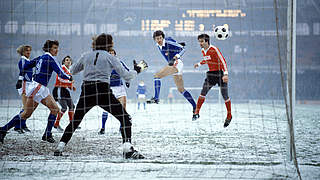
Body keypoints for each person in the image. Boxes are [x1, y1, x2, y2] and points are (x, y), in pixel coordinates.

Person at [54, 33, 147, 159]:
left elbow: (72, 71)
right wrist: (137, 70)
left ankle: (60, 147)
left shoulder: (86, 56)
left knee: (75, 121)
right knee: (125, 118)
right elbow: (126, 75)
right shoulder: (110, 57)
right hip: (103, 90)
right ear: (109, 44)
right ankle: (127, 149)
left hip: (87, 90)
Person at [0, 40, 72, 144]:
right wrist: (70, 77)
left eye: (57, 48)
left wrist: (20, 79)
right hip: (38, 88)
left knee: (54, 109)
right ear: (49, 48)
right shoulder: (50, 59)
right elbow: (60, 73)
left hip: (39, 88)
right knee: (26, 114)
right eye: (55, 48)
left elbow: (26, 66)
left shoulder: (41, 57)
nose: (57, 50)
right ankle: (3, 129)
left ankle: (47, 134)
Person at [147, 30, 196, 115]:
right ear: (154, 39)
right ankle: (195, 107)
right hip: (174, 65)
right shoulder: (158, 45)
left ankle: (156, 98)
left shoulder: (168, 41)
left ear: (163, 37)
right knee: (181, 89)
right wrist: (178, 44)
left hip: (176, 63)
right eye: (157, 38)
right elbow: (177, 45)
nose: (159, 40)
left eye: (160, 38)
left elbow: (183, 49)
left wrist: (176, 56)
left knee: (157, 76)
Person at [193, 34, 232, 127]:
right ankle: (196, 112)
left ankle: (229, 115)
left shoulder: (214, 49)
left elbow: (223, 61)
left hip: (220, 74)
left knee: (225, 95)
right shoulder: (203, 50)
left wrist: (226, 74)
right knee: (203, 92)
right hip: (211, 74)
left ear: (207, 41)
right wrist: (199, 64)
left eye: (202, 41)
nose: (200, 43)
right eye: (199, 41)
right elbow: (207, 59)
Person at [98, 48, 129, 135]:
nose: (111, 54)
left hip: (120, 88)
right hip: (109, 88)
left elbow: (126, 71)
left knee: (123, 108)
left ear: (115, 55)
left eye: (113, 53)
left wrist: (127, 81)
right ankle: (103, 128)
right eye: (109, 53)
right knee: (106, 109)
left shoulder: (119, 62)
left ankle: (121, 127)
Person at [52, 56, 77, 132]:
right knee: (64, 108)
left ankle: (71, 124)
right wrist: (70, 82)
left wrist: (71, 86)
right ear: (63, 62)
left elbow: (67, 81)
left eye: (69, 60)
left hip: (64, 90)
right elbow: (60, 79)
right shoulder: (62, 68)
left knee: (72, 106)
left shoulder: (68, 70)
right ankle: (56, 124)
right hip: (59, 89)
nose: (68, 61)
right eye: (66, 60)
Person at [14, 45, 33, 134]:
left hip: (29, 83)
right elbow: (22, 71)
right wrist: (20, 80)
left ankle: (23, 124)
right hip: (24, 83)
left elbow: (28, 73)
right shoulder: (23, 60)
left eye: (29, 51)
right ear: (22, 52)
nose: (28, 52)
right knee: (26, 107)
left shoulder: (28, 60)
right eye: (26, 51)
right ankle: (18, 126)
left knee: (27, 107)